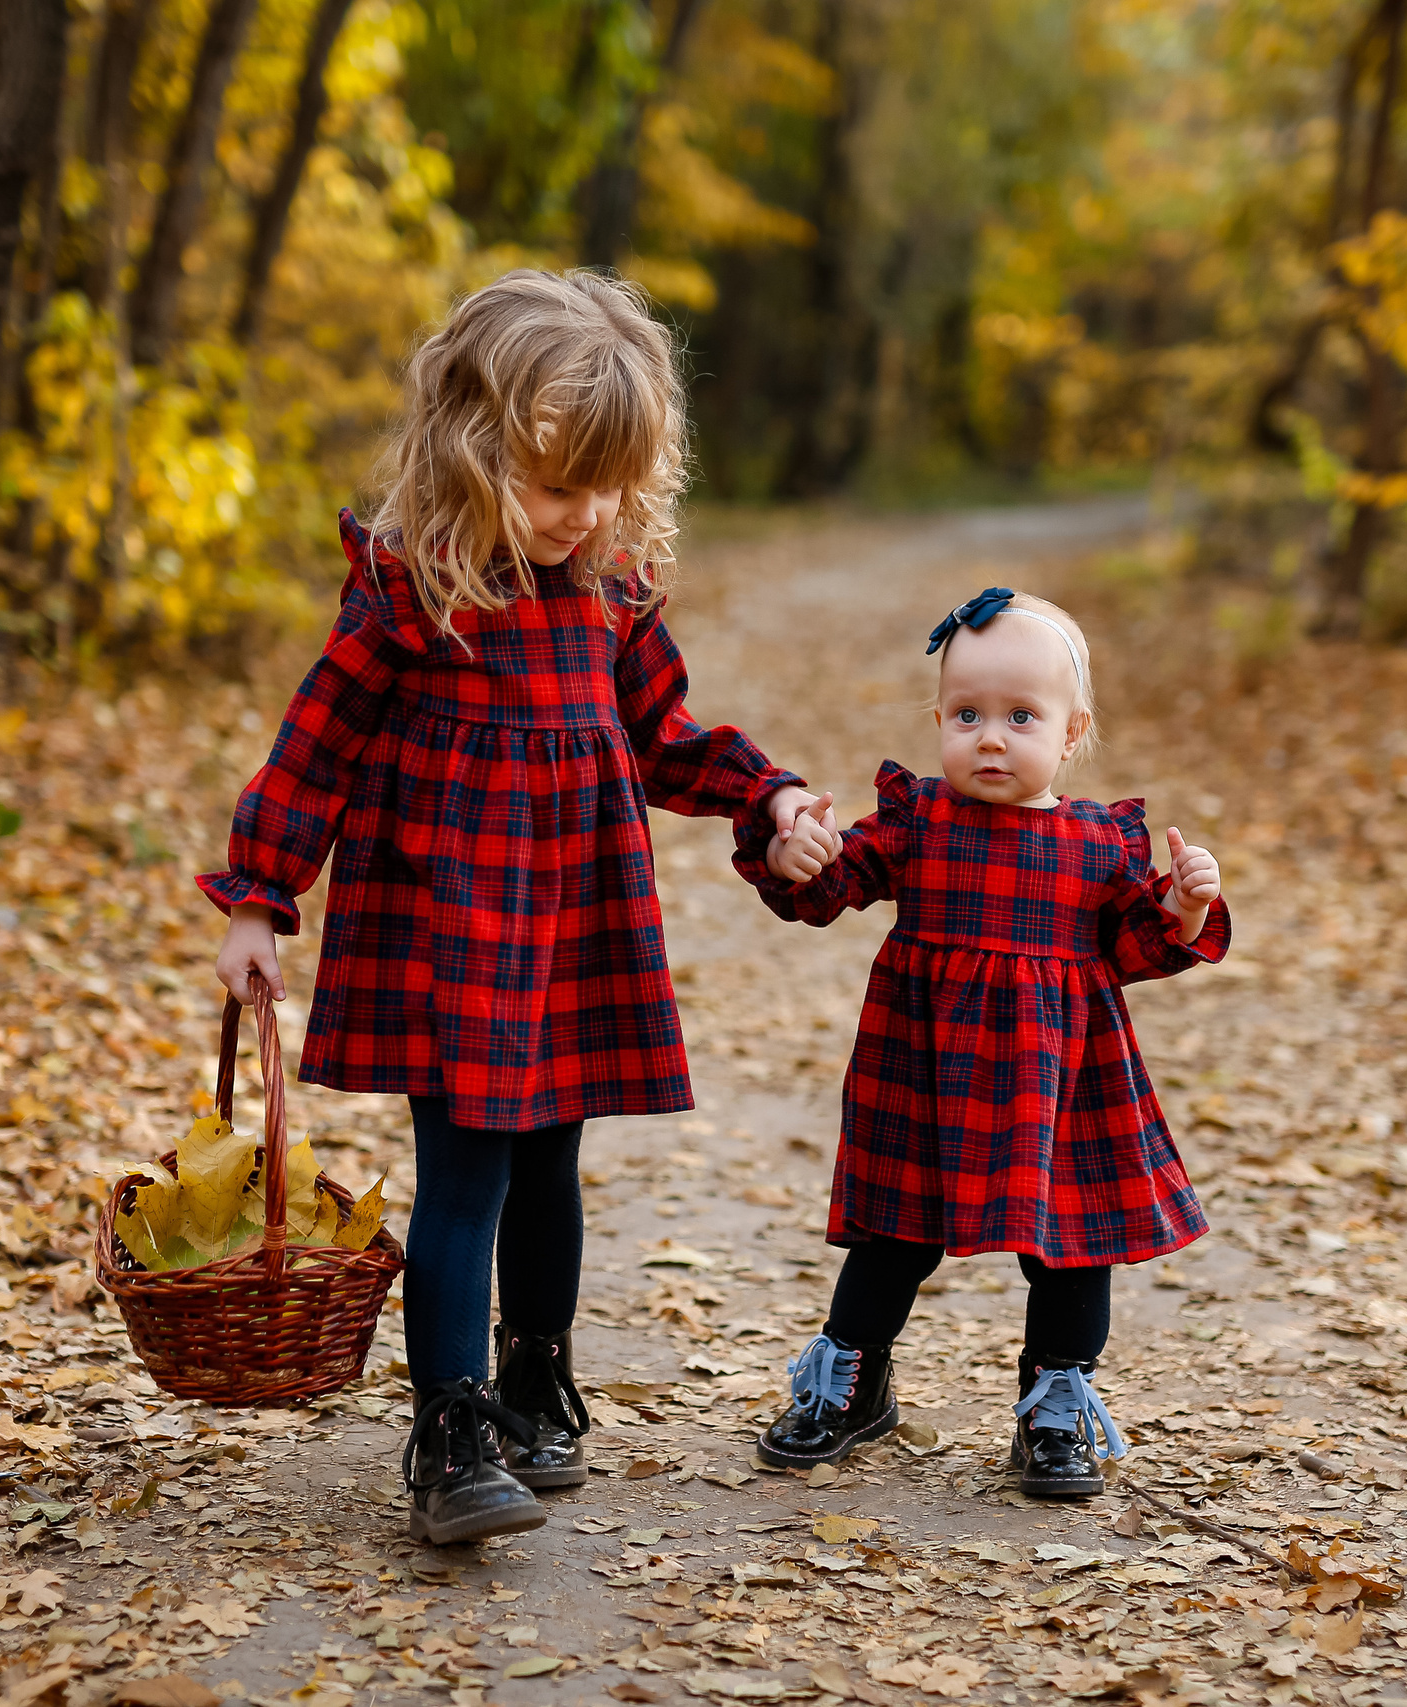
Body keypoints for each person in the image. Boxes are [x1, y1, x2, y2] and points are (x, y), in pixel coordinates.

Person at [206, 270, 839, 1545]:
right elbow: (314, 745)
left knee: (553, 1169)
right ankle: (447, 1423)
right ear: (471, 449)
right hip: (450, 926)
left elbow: (663, 738)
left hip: (572, 926)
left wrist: (765, 798)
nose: (586, 512)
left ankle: (534, 1377)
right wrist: (258, 900)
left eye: (608, 485)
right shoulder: (409, 590)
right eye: (558, 486)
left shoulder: (609, 590)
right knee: (465, 1178)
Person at [736, 586, 1227, 1498]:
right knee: (892, 1232)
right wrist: (793, 855)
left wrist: (1182, 904)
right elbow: (830, 886)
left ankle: (1055, 1400)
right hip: (924, 1068)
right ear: (937, 720)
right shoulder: (919, 820)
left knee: (1072, 1244)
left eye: (1019, 716)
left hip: (1062, 1079)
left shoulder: (1095, 846)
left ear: (1072, 732)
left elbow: (1132, 948)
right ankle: (851, 1379)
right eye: (967, 714)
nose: (990, 737)